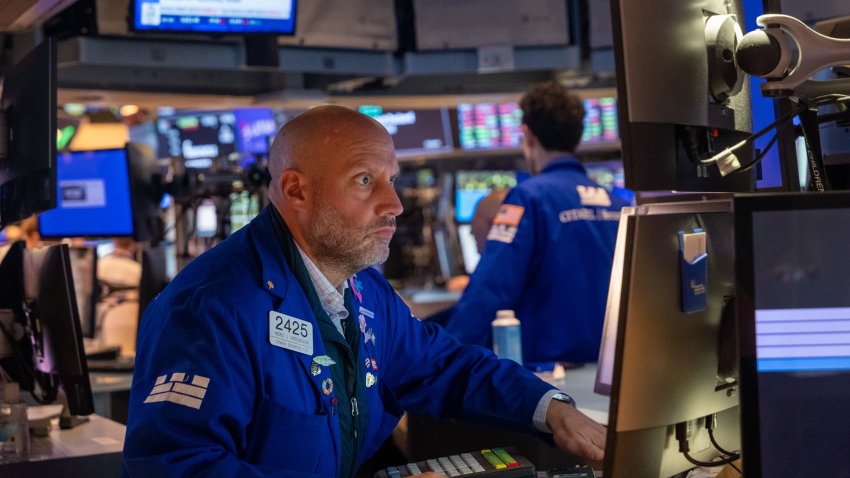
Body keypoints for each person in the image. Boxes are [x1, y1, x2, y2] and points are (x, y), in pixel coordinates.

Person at [122, 105, 605, 477]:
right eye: (364, 180)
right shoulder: (212, 307)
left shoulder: (361, 288)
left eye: (390, 180)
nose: (393, 204)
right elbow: (176, 465)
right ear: (296, 192)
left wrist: (552, 410)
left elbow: (445, 365)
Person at [445, 82, 628, 367]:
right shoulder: (617, 204)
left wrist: (444, 359)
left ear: (528, 136)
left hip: (550, 376)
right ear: (577, 137)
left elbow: (491, 288)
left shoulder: (527, 199)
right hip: (613, 370)